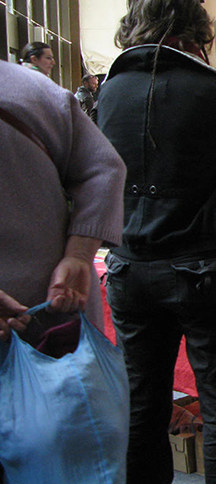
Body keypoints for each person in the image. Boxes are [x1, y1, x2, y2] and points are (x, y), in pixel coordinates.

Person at [98, 0, 216, 484]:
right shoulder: (215, 91)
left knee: (141, 408)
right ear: (191, 20)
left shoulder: (108, 91)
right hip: (209, 270)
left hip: (129, 271)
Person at [0, 59, 126, 333]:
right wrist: (79, 253)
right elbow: (105, 167)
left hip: (55, 302)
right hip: (58, 306)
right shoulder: (31, 88)